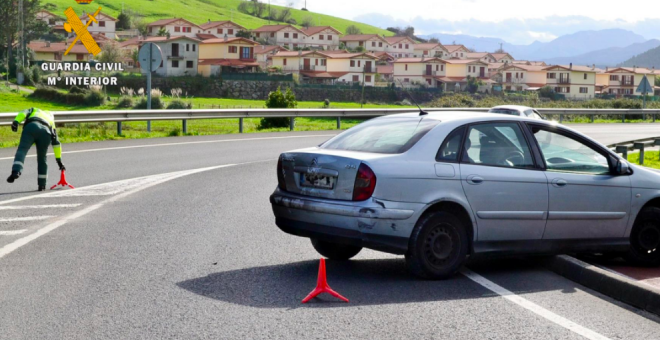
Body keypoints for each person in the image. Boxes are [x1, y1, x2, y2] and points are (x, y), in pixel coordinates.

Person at [7, 108, 65, 191]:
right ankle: (42, 185)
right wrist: (59, 161)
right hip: (46, 132)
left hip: (31, 126)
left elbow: (23, 113)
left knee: (22, 150)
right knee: (42, 158)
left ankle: (16, 171)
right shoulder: (51, 118)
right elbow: (56, 142)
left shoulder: (34, 110)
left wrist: (16, 122)